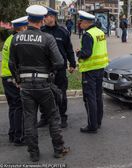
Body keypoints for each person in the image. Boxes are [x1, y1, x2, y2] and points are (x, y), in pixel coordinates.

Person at [9, 5, 69, 162]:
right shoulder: (47, 38)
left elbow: (11, 63)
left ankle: (33, 153)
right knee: (53, 117)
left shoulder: (16, 38)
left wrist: (18, 79)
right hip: (44, 84)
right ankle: (59, 149)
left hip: (25, 86)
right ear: (42, 20)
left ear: (28, 20)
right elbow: (59, 62)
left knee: (29, 119)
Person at [38, 7, 76, 128]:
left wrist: (73, 64)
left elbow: (69, 50)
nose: (44, 19)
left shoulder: (63, 32)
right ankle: (44, 117)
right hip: (44, 69)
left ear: (53, 17)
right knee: (43, 94)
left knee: (61, 94)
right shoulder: (41, 31)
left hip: (59, 70)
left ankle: (62, 117)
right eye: (44, 17)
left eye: (47, 16)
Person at [76, 10, 109, 133]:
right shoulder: (100, 32)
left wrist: (78, 53)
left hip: (90, 70)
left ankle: (92, 125)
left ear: (86, 22)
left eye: (81, 22)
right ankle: (98, 122)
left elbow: (86, 53)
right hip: (100, 68)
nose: (79, 24)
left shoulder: (87, 35)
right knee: (98, 96)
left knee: (89, 98)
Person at [1, 16, 28, 146]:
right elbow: (17, 62)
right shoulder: (16, 41)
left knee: (13, 106)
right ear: (21, 28)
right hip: (12, 77)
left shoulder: (9, 39)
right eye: (26, 27)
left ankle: (13, 134)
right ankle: (19, 137)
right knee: (19, 106)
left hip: (6, 77)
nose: (27, 29)